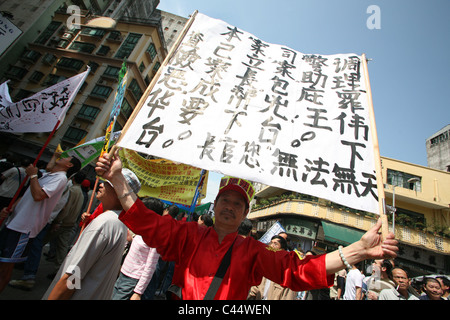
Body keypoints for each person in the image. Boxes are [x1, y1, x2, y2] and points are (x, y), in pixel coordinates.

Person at [95, 151, 398, 300]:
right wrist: (118, 178)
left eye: (237, 203)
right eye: (224, 200)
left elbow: (298, 270)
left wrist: (358, 249)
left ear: (245, 214)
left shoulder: (255, 251)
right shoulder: (188, 234)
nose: (229, 206)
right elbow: (147, 223)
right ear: (214, 206)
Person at [43, 168, 141, 300]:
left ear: (120, 192)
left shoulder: (104, 223)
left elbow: (74, 276)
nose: (101, 184)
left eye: (108, 183)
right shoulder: (118, 222)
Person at [0, 153, 81, 293]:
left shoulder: (61, 179)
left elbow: (38, 195)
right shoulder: (49, 175)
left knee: (5, 267)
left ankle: (27, 277)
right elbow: (29, 195)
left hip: (23, 228)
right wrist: (11, 208)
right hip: (13, 222)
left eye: (67, 157)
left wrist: (33, 176)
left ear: (69, 165)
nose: (63, 156)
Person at [112, 197, 165, 300]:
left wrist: (138, 292)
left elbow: (150, 266)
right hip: (124, 274)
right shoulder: (142, 228)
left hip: (133, 279)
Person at [247, 235, 297, 300]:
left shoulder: (287, 274)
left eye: (275, 244)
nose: (271, 246)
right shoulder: (264, 267)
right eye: (270, 243)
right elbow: (254, 289)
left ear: (282, 251)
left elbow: (288, 297)